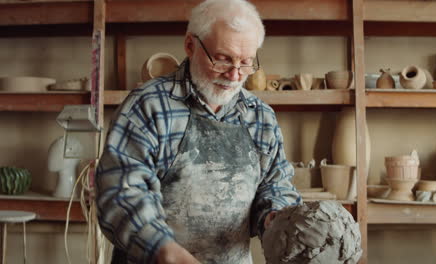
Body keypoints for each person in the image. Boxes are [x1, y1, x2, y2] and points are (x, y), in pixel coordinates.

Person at [95, 0, 302, 263]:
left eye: (246, 62)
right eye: (223, 59)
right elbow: (121, 193)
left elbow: (275, 185)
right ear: (190, 45)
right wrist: (164, 250)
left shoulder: (260, 116)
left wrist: (275, 216)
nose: (235, 75)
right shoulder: (149, 107)